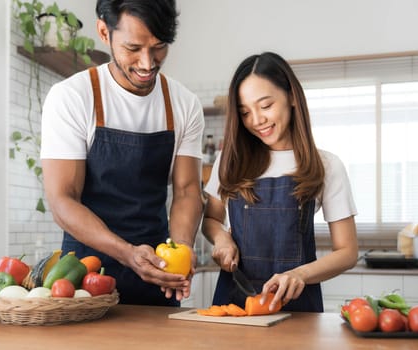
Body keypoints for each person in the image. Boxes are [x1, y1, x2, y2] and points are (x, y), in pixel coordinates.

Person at [40, 0, 204, 306]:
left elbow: (186, 190)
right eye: (133, 48)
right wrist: (128, 254)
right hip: (84, 277)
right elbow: (62, 199)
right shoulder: (72, 98)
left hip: (157, 274)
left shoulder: (184, 104)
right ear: (104, 31)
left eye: (159, 47)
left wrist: (180, 250)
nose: (147, 63)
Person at [202, 52, 358, 312]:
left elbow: (347, 251)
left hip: (298, 310)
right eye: (245, 112)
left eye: (265, 106)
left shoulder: (327, 165)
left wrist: (300, 275)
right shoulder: (229, 160)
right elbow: (211, 220)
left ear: (292, 97)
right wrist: (221, 240)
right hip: (235, 307)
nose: (257, 120)